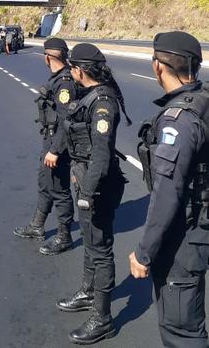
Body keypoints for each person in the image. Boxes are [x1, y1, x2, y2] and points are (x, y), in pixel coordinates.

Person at [130, 31, 208, 347]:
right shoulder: (203, 100)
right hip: (201, 221)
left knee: (182, 331)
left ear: (158, 66)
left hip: (185, 236)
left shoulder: (178, 120)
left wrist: (144, 252)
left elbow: (167, 192)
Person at [58, 43, 130, 345]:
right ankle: (89, 292)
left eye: (71, 67)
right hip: (87, 180)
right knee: (90, 242)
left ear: (79, 70)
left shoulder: (102, 104)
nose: (69, 72)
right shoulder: (88, 96)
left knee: (100, 250)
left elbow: (100, 154)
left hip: (98, 185)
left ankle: (103, 318)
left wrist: (87, 192)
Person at [14, 38, 76, 254]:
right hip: (50, 140)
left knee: (59, 189)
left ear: (48, 57)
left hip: (59, 144)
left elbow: (66, 121)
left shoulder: (65, 83)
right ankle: (37, 226)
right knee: (45, 183)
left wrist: (55, 151)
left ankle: (64, 236)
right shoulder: (59, 78)